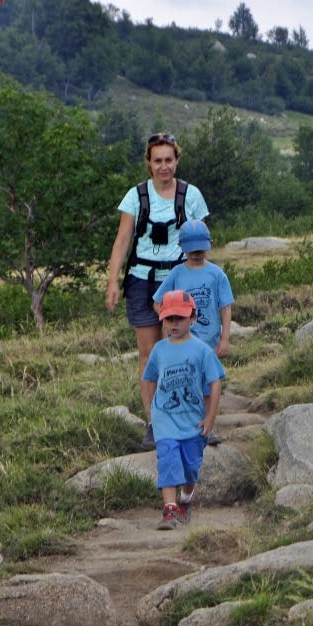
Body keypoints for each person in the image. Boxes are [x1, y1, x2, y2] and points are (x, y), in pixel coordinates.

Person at [105, 133, 209, 451]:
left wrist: (205, 282)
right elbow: (123, 240)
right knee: (150, 355)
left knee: (185, 353)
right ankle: (154, 424)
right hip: (142, 279)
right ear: (149, 164)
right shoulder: (136, 197)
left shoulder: (191, 196)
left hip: (179, 279)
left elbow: (202, 240)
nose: (164, 166)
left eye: (169, 160)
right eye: (157, 160)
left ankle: (196, 421)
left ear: (177, 161)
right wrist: (112, 281)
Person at [142, 290, 225, 530]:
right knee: (167, 459)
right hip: (165, 418)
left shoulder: (202, 350)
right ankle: (169, 510)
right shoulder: (159, 350)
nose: (174, 323)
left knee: (190, 469)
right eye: (169, 318)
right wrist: (152, 413)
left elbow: (215, 381)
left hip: (192, 420)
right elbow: (149, 379)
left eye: (180, 318)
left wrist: (210, 417)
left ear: (193, 318)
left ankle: (186, 499)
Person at [152, 219, 234, 446]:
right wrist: (170, 321)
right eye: (191, 250)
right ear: (182, 248)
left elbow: (225, 307)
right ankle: (183, 426)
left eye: (200, 249)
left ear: (209, 245)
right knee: (185, 382)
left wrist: (225, 338)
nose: (196, 254)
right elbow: (157, 302)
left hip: (208, 342)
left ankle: (207, 426)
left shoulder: (217, 275)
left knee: (208, 383)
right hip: (180, 342)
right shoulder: (177, 274)